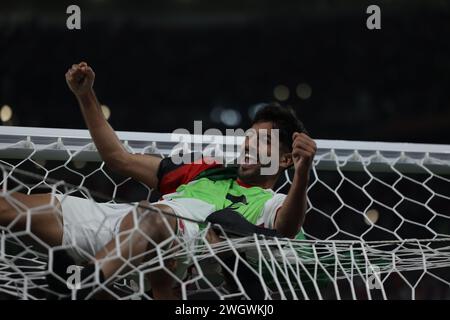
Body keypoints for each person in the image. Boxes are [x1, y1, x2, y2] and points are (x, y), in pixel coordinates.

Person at [0, 62, 316, 299]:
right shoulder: (206, 170)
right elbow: (118, 159)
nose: (249, 145)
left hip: (176, 247)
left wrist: (302, 173)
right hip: (125, 229)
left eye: (264, 143)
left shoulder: (270, 203)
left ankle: (81, 288)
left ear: (286, 159)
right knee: (12, 207)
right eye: (249, 137)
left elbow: (287, 227)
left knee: (151, 216)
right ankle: (92, 279)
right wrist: (85, 95)